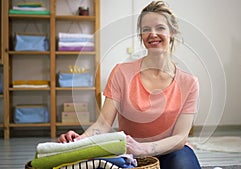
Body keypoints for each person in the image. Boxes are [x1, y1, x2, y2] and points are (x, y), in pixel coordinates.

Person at [58, 1, 201, 168]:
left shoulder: (189, 83)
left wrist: (144, 148)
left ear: (173, 32)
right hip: (129, 153)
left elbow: (180, 137)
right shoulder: (122, 73)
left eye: (160, 28)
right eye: (146, 29)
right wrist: (78, 141)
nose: (152, 34)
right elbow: (103, 124)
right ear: (141, 35)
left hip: (173, 151)